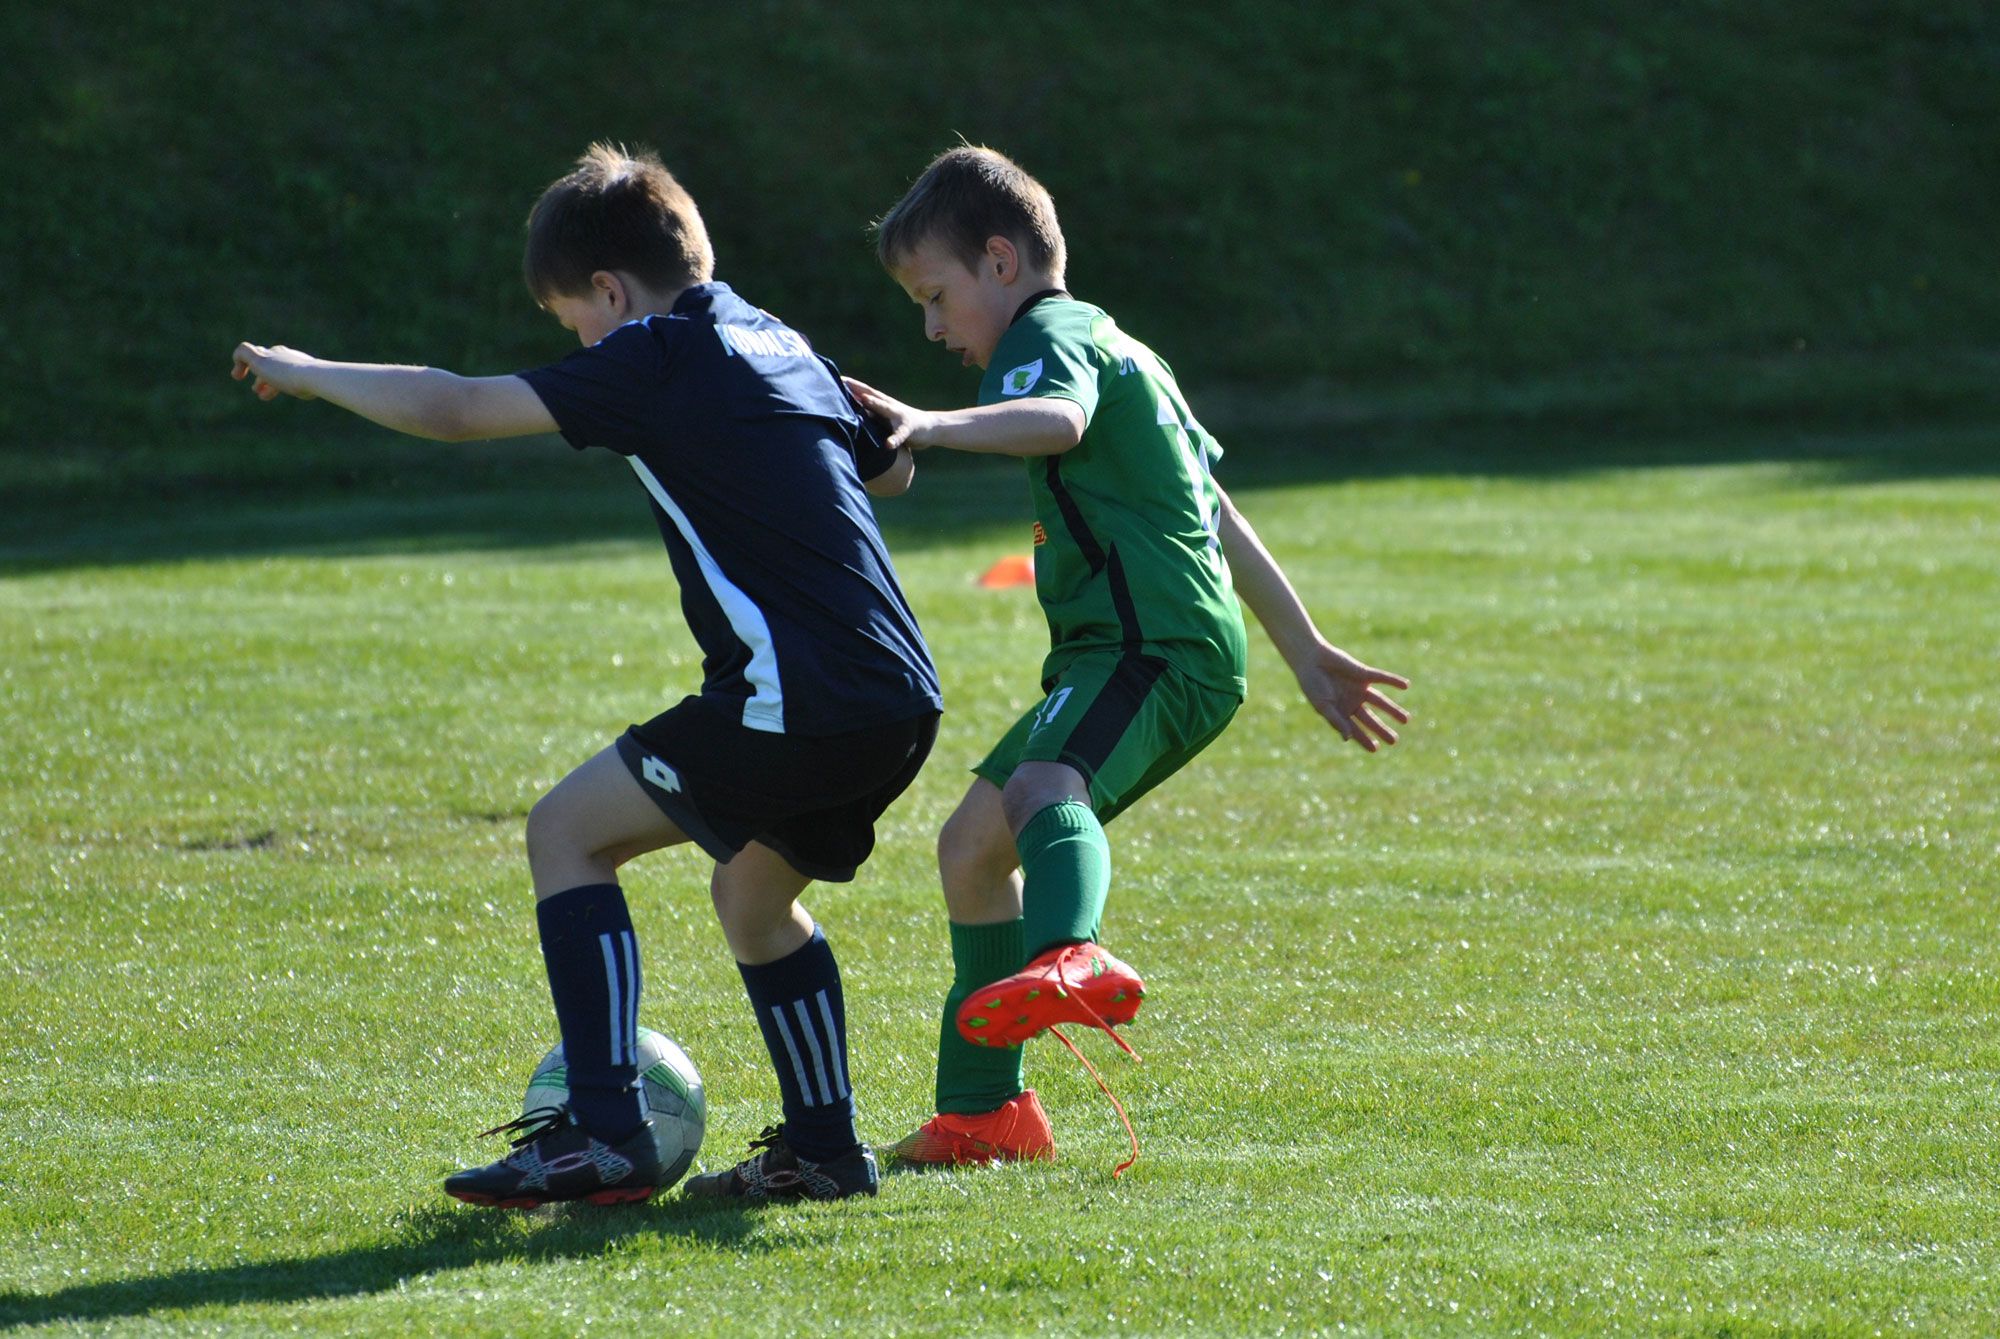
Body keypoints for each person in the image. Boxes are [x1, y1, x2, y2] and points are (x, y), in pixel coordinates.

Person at [231, 143, 942, 1205]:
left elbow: (459, 408)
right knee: (754, 900)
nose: (580, 345)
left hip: (795, 698)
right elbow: (893, 467)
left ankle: (602, 1129)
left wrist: (305, 369)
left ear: (609, 291)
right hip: (897, 695)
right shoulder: (774, 335)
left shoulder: (652, 350)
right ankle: (827, 1154)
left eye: (574, 323)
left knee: (567, 831)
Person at [844, 145, 1410, 1172]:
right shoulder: (1124, 345)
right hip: (1150, 646)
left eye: (935, 297)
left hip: (1146, 644)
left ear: (1001, 263)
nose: (930, 329)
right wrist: (1306, 650)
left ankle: (1074, 949)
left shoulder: (1046, 337)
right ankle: (983, 1117)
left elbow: (1053, 421)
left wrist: (925, 424)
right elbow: (1216, 513)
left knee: (1043, 788)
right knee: (970, 847)